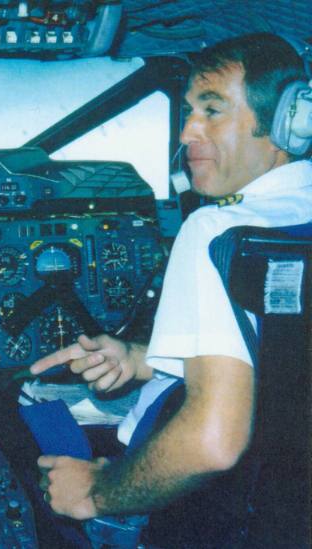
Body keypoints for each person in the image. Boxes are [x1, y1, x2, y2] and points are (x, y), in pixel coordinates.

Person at [29, 32, 312, 524]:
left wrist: (97, 492)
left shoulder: (218, 231)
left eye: (213, 109)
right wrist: (142, 359)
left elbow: (212, 444)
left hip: (212, 515)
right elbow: (283, 358)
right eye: (188, 112)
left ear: (292, 122)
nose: (187, 134)